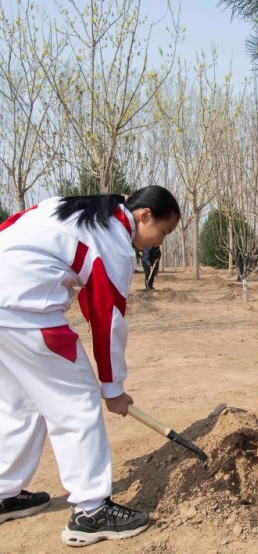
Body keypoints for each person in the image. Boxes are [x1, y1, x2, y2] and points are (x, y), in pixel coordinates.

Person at [0, 186, 180, 546]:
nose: (159, 242)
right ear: (144, 216)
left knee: (20, 404)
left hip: (7, 304)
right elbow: (106, 318)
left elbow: (11, 225)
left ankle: (4, 491)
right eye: (163, 232)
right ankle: (91, 511)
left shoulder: (69, 206)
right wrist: (112, 388)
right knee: (78, 403)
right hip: (27, 311)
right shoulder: (112, 240)